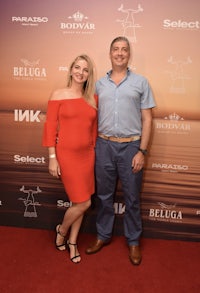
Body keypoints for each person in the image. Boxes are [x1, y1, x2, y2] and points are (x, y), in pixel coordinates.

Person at [85, 36, 156, 265]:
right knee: (104, 196)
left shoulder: (141, 82)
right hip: (104, 145)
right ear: (110, 54)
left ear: (129, 54)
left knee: (132, 198)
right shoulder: (98, 84)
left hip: (131, 147)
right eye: (116, 49)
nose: (120, 53)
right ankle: (103, 236)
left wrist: (141, 152)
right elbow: (87, 115)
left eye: (124, 49)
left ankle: (133, 241)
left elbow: (147, 119)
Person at [42, 54, 97, 264]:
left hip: (87, 157)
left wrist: (94, 152)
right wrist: (52, 157)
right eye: (77, 67)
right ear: (71, 69)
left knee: (79, 200)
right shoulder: (58, 94)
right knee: (84, 202)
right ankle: (62, 230)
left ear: (88, 75)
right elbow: (49, 127)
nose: (80, 72)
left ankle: (73, 242)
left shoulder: (92, 99)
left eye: (85, 70)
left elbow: (93, 131)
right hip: (66, 155)